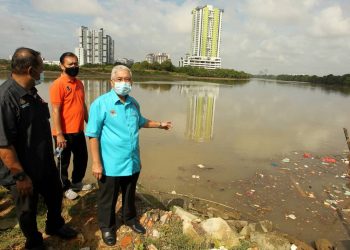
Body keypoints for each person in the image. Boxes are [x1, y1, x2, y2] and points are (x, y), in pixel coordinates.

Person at [0, 47, 77, 250]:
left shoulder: (31, 92)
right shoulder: (6, 98)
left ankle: (54, 225)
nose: (43, 70)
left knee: (54, 195)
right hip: (22, 170)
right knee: (27, 209)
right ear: (30, 69)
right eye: (41, 66)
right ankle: (33, 242)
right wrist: (20, 176)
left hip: (43, 162)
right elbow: (3, 144)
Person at [86, 65, 172, 246]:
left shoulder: (134, 103)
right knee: (107, 197)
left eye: (127, 79)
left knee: (129, 193)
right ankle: (107, 227)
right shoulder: (101, 104)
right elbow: (92, 134)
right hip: (110, 163)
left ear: (132, 82)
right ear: (112, 82)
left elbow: (141, 121)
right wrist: (96, 163)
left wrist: (160, 124)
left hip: (132, 161)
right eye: (119, 79)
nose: (123, 83)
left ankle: (130, 218)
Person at [49, 52, 91, 200]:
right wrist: (59, 134)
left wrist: (90, 123)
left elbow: (82, 106)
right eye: (70, 64)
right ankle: (64, 187)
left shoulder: (79, 83)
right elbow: (55, 110)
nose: (74, 66)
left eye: (76, 63)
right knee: (63, 162)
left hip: (78, 130)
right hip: (63, 133)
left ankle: (77, 183)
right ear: (62, 66)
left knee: (82, 158)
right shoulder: (58, 85)